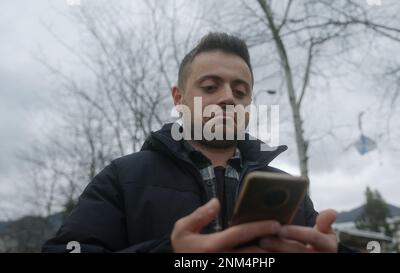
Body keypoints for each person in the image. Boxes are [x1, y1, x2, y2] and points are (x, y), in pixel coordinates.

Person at [42, 32, 345, 253]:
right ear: (179, 98)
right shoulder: (123, 178)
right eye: (211, 87)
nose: (228, 98)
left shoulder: (286, 191)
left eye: (240, 92)